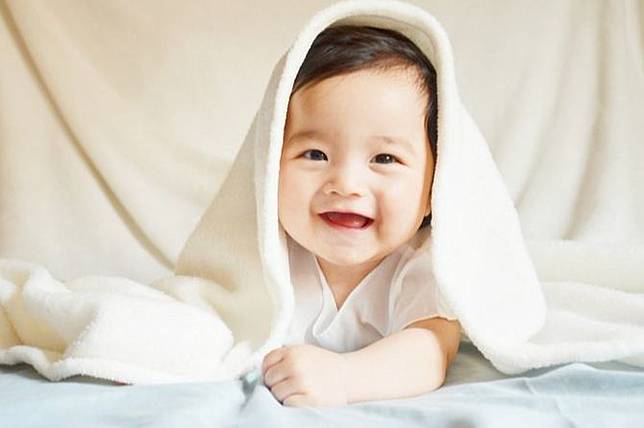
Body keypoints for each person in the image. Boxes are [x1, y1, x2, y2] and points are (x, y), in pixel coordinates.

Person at [261, 25, 463, 407]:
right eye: (315, 154)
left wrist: (344, 378)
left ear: (436, 187)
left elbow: (430, 350)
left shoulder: (422, 265)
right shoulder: (261, 251)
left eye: (384, 158)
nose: (346, 184)